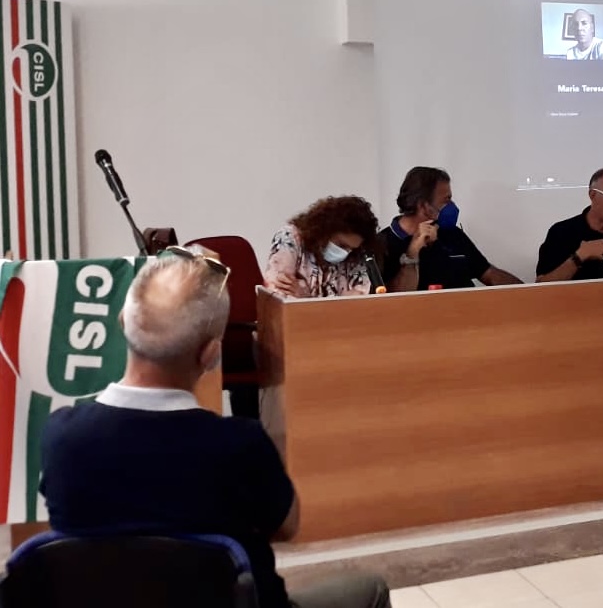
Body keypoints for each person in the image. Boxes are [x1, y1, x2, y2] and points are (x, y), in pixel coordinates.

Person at [39, 248, 391, 608]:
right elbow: (287, 526)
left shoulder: (61, 437)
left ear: (121, 322)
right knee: (369, 588)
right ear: (210, 354)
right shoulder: (240, 444)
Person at [379, 167, 521, 291]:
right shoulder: (382, 244)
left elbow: (488, 273)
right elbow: (393, 302)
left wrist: (529, 291)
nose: (452, 205)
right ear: (423, 206)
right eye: (446, 200)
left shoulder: (451, 234)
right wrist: (412, 254)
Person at [264, 195, 381, 298]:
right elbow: (277, 293)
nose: (345, 252)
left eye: (351, 249)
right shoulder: (290, 238)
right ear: (325, 230)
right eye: (341, 245)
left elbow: (357, 303)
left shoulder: (357, 256)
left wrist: (306, 298)